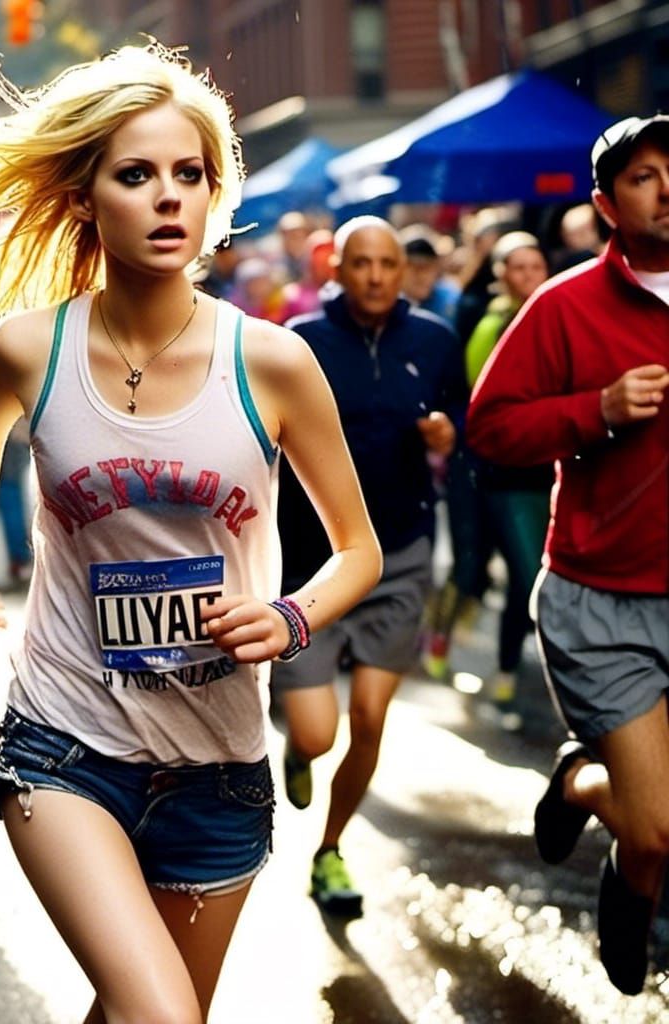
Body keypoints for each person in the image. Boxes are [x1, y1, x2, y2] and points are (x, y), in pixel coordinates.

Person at [0, 42, 381, 1022]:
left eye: (189, 174)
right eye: (136, 174)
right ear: (87, 194)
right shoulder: (29, 345)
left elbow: (358, 548)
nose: (168, 197)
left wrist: (291, 616)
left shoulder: (271, 362)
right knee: (162, 1015)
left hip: (218, 768)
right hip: (65, 743)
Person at [467, 114, 669, 996]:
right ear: (605, 203)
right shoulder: (565, 306)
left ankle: (629, 868)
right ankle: (583, 780)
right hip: (600, 594)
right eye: (644, 176)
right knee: (655, 826)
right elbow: (492, 429)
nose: (668, 188)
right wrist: (597, 410)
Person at [272, 216, 465, 915]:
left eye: (389, 263)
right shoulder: (301, 345)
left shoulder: (436, 342)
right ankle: (297, 751)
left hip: (401, 554)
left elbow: (465, 423)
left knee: (371, 717)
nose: (379, 276)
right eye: (363, 263)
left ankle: (329, 850)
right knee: (318, 734)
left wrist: (449, 433)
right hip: (311, 565)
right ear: (339, 270)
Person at [452, 231, 553, 729]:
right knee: (524, 575)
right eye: (520, 267)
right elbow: (482, 411)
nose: (531, 276)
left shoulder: (559, 318)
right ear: (501, 274)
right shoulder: (490, 325)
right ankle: (508, 672)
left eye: (538, 266)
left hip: (553, 471)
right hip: (504, 476)